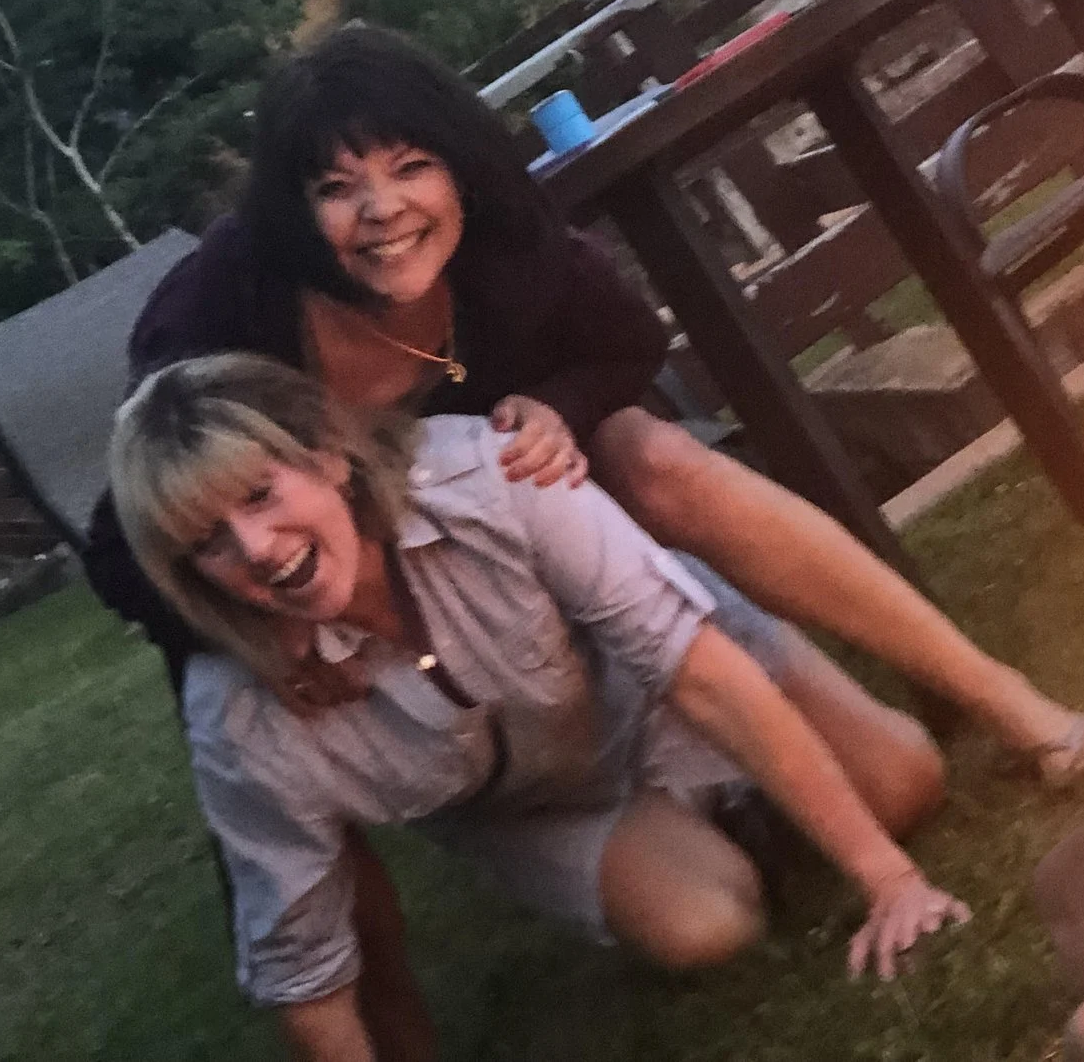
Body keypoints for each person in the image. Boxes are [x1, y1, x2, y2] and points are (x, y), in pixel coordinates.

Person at [84, 23, 1084, 779]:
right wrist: (259, 644)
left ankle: (1005, 700)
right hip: (359, 587)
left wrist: (558, 405)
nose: (382, 210)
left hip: (535, 513)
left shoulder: (508, 244)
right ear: (291, 209)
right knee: (249, 716)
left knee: (657, 456)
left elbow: (630, 345)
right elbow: (130, 545)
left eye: (411, 167)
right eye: (335, 187)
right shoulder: (219, 315)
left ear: (461, 170)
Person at [112, 353, 971, 1060]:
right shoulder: (240, 718)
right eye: (208, 541)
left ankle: (762, 795)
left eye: (259, 494)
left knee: (906, 783)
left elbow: (700, 674)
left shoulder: (484, 474)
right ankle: (737, 816)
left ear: (326, 456)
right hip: (538, 804)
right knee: (708, 925)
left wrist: (890, 880)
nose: (256, 548)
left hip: (647, 680)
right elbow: (308, 973)